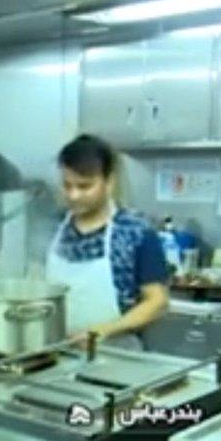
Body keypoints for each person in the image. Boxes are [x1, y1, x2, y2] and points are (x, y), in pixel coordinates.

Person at [46, 134, 169, 349]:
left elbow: (157, 302)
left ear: (109, 182)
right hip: (58, 353)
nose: (73, 195)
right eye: (67, 185)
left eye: (84, 187)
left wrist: (102, 331)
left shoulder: (135, 231)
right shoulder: (53, 227)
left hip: (119, 356)